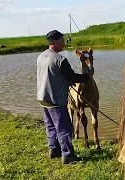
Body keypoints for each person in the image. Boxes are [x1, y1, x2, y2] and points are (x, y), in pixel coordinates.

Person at [36, 30, 89, 164]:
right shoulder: (60, 59)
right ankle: (68, 155)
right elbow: (71, 77)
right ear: (55, 42)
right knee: (64, 127)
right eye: (62, 40)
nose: (64, 43)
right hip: (56, 100)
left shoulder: (41, 56)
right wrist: (86, 77)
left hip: (43, 97)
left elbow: (53, 75)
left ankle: (53, 150)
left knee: (50, 125)